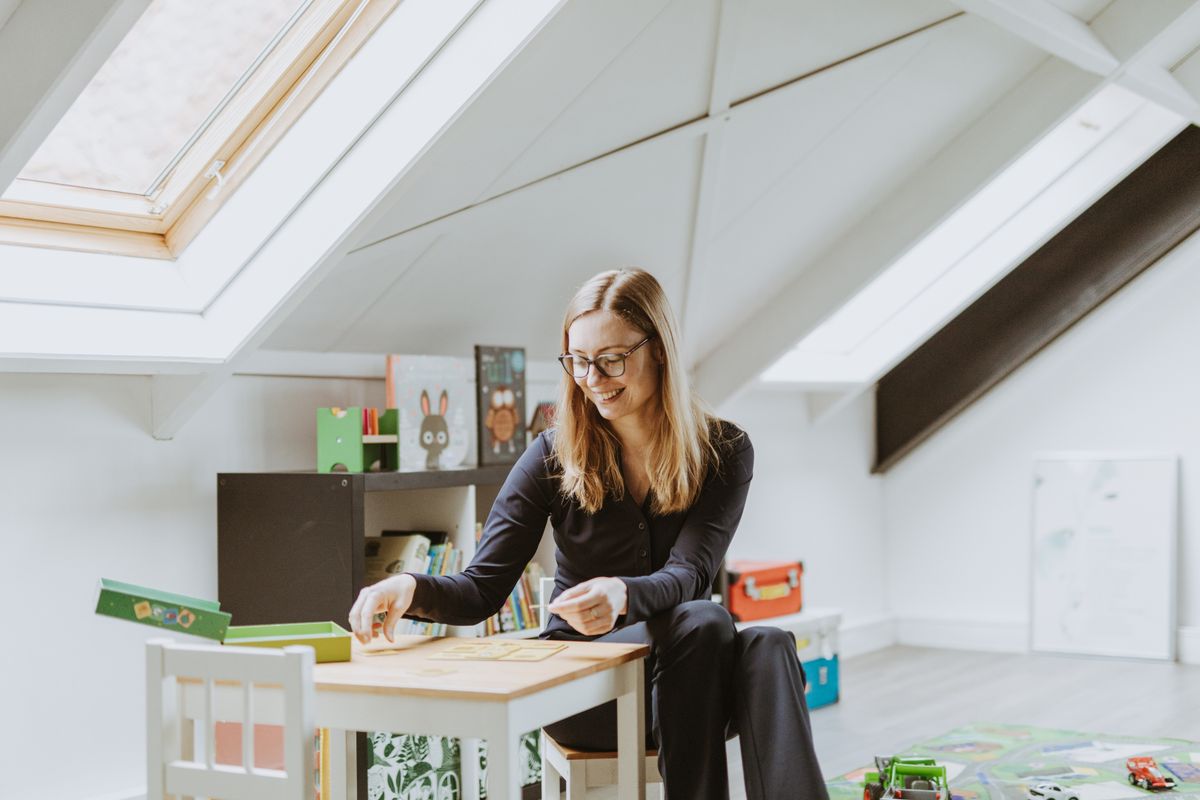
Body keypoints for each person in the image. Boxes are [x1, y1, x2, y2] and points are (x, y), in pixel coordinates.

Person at [349, 268, 828, 800]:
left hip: (694, 677)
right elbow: (483, 588)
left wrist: (624, 595)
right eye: (578, 361)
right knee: (707, 620)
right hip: (586, 693)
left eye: (611, 358)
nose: (592, 377)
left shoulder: (723, 450)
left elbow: (691, 573)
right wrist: (410, 588)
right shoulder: (551, 455)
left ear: (659, 351)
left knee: (765, 641)